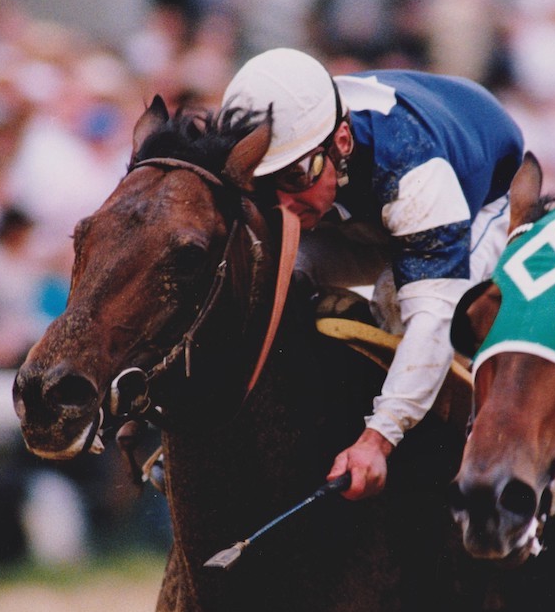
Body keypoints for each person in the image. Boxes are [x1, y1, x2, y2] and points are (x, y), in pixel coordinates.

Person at [222, 48, 524, 500]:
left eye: (296, 175)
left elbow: (434, 322)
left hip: (473, 199)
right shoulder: (309, 160)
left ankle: (463, 464)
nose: (282, 201)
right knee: (265, 272)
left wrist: (378, 438)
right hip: (360, 208)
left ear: (341, 141)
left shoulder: (414, 170)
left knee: (399, 306)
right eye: (265, 184)